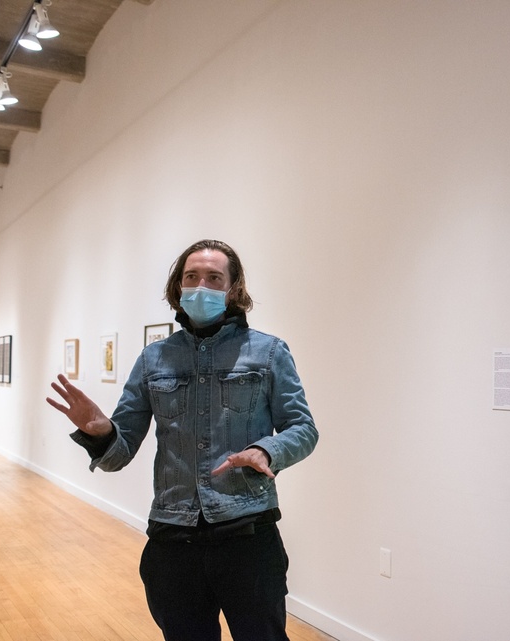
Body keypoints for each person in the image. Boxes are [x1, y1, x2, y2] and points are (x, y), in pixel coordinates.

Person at [46, 239, 318, 641]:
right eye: (191, 277)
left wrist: (266, 449)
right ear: (177, 286)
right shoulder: (153, 359)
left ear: (233, 289)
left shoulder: (268, 353)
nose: (200, 286)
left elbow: (303, 428)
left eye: (213, 277)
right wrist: (101, 431)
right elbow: (118, 455)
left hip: (247, 537)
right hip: (173, 541)